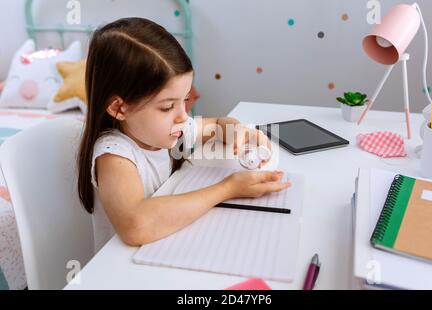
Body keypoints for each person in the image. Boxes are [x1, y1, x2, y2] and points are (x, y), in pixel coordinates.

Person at [77, 18, 290, 252]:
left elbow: (217, 125)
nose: (182, 115)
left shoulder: (163, 130)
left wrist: (239, 131)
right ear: (119, 108)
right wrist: (228, 189)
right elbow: (136, 226)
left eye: (185, 99)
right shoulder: (115, 155)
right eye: (168, 107)